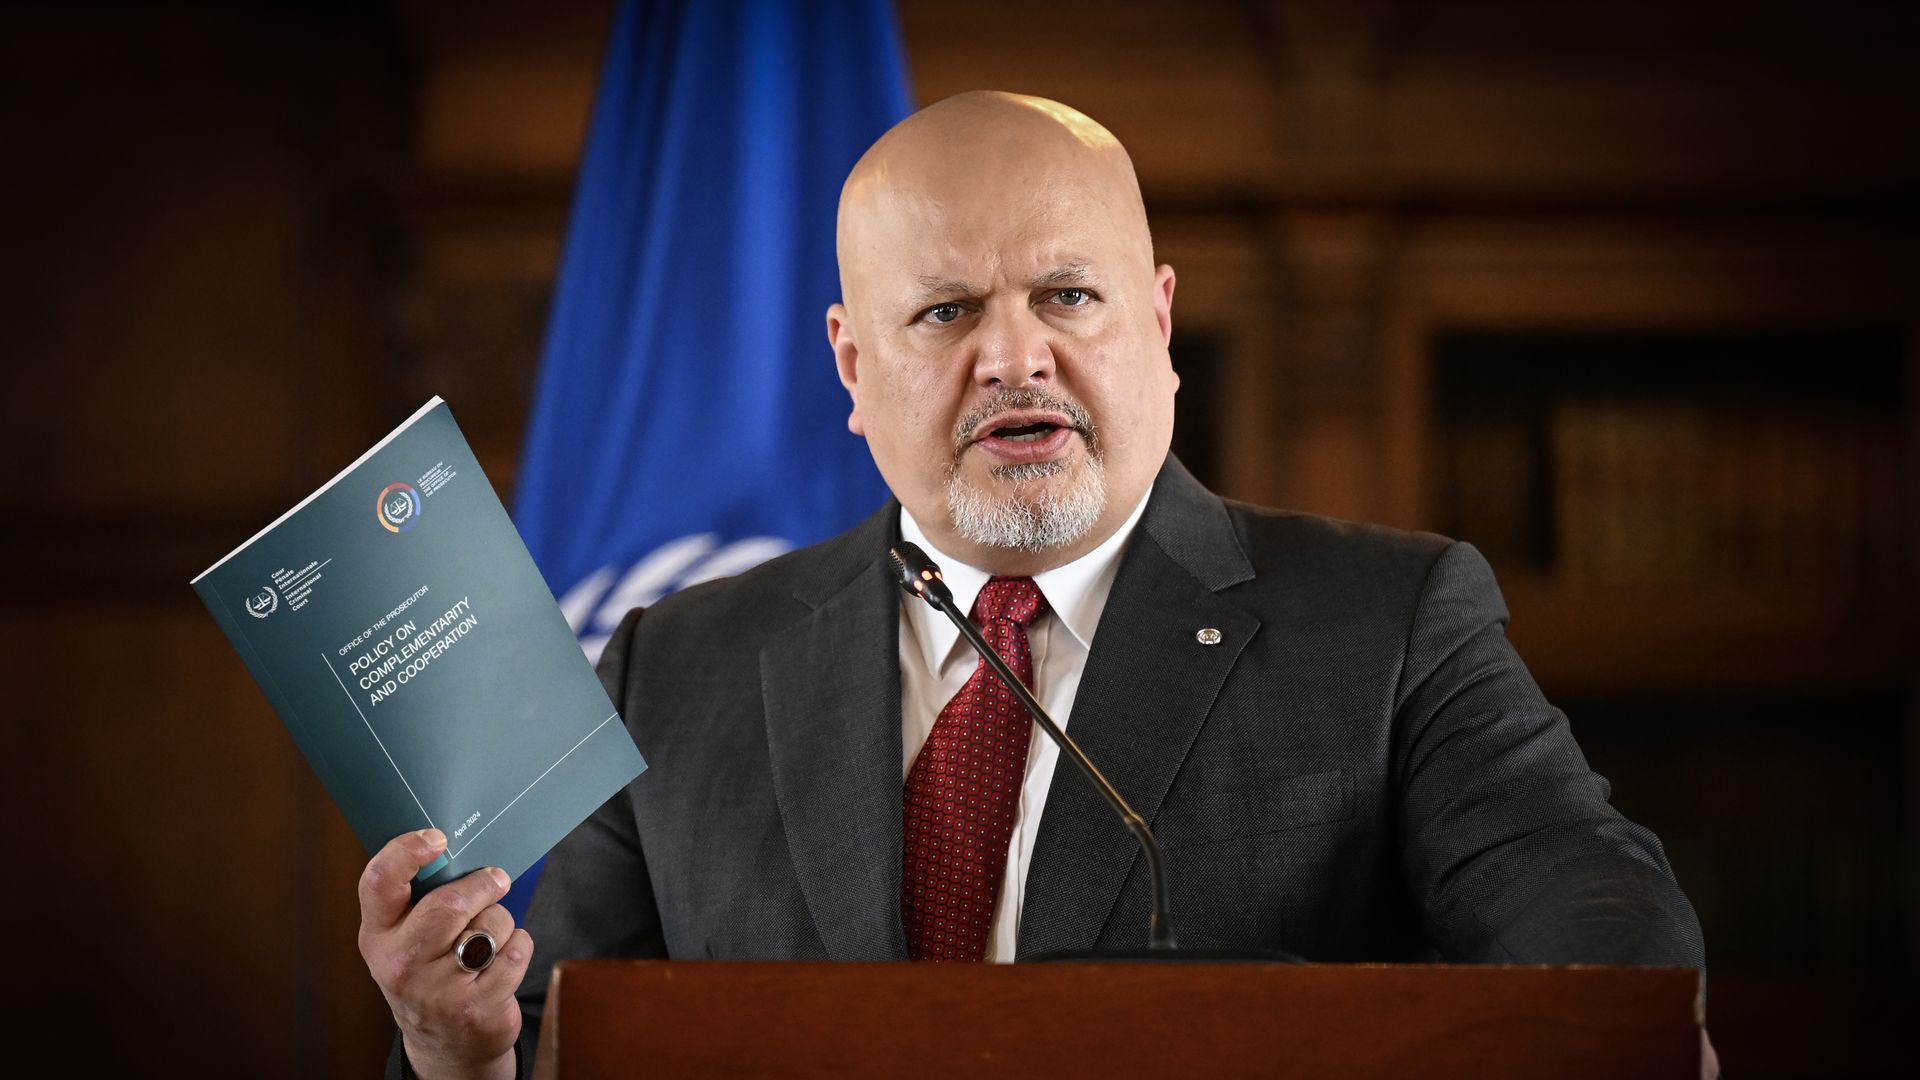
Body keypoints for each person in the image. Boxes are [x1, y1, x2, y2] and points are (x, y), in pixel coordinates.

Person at [358, 91, 1706, 1080]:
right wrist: (457, 1048)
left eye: (1068, 296)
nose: (1018, 358)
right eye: (945, 312)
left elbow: (1602, 929)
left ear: (1159, 326)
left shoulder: (1395, 623)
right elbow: (565, 1053)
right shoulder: (673, 668)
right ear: (848, 363)